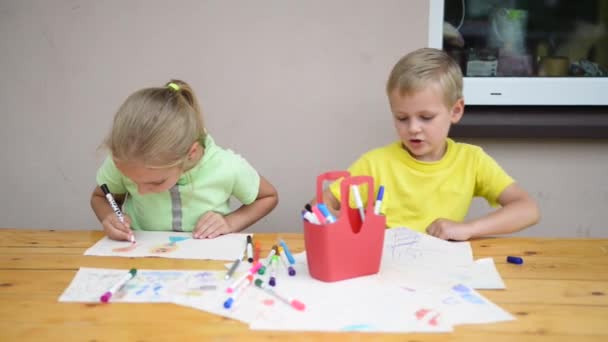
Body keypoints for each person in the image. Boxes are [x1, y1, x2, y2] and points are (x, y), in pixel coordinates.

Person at [319, 48, 540, 241]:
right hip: (384, 272)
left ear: (455, 111)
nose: (413, 128)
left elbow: (528, 209)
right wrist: (336, 219)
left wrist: (469, 228)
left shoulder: (471, 160)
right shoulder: (374, 164)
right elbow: (318, 205)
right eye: (402, 118)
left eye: (426, 117)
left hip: (441, 272)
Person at [91, 80, 278, 241]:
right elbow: (100, 197)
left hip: (205, 269)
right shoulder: (126, 159)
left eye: (155, 182)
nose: (140, 191)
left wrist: (230, 223)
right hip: (142, 265)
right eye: (131, 180)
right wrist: (109, 217)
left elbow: (268, 196)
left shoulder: (225, 166)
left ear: (190, 153)